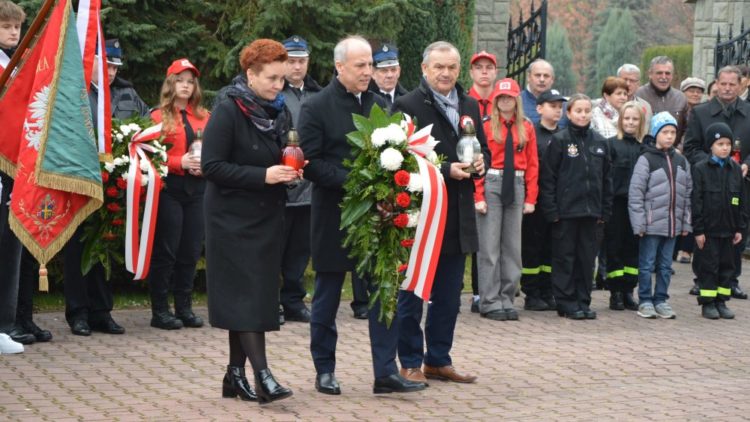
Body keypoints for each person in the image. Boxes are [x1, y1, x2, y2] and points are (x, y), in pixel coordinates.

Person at [298, 35, 426, 395]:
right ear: (340, 67)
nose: (368, 72)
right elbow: (311, 163)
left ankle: (385, 372)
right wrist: (360, 184)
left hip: (378, 218)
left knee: (383, 295)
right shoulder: (317, 106)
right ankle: (324, 370)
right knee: (326, 298)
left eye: (370, 64)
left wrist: (391, 189)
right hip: (334, 217)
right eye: (360, 65)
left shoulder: (380, 106)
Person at [202, 39, 296, 404]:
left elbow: (279, 152)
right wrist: (263, 176)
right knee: (247, 300)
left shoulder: (278, 109)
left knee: (251, 298)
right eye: (271, 78)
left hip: (266, 216)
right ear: (250, 74)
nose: (278, 86)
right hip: (231, 218)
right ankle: (263, 377)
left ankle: (233, 375)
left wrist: (290, 170)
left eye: (282, 79)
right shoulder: (229, 108)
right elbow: (212, 166)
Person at [393, 41, 488, 384]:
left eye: (451, 67)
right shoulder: (407, 105)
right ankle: (410, 361)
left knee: (449, 297)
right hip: (423, 217)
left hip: (458, 215)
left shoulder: (470, 105)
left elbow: (484, 150)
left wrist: (480, 163)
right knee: (414, 291)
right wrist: (447, 171)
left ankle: (438, 359)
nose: (446, 73)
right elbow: (401, 160)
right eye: (439, 67)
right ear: (424, 69)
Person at [146, 59, 209, 330]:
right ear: (171, 83)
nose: (185, 85)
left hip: (198, 189)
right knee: (167, 250)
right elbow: (149, 156)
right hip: (170, 188)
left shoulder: (205, 116)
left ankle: (184, 307)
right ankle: (160, 310)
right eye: (180, 80)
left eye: (190, 81)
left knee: (191, 250)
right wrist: (177, 162)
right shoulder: (157, 117)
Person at [540, 94, 613, 320]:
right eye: (578, 111)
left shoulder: (600, 142)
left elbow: (607, 178)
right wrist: (551, 211)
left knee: (586, 259)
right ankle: (566, 301)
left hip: (592, 213)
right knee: (565, 259)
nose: (583, 115)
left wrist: (605, 210)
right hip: (566, 213)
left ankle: (583, 300)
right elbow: (548, 178)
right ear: (569, 113)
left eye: (586, 111)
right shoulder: (560, 141)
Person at [683, 66, 750, 300]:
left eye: (733, 84)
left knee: (737, 234)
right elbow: (690, 147)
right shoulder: (700, 113)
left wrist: (746, 164)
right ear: (717, 84)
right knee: (707, 238)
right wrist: (711, 164)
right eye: (724, 84)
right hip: (709, 185)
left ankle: (731, 280)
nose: (728, 88)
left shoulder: (749, 112)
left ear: (741, 85)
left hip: (739, 184)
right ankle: (701, 279)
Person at [474, 78, 538, 321]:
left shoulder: (527, 127)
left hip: (518, 184)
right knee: (489, 247)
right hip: (492, 182)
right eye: (500, 98)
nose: (504, 101)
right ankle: (489, 301)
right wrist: (477, 195)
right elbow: (476, 163)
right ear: (495, 100)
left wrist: (531, 197)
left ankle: (506, 298)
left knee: (512, 247)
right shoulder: (486, 125)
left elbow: (533, 164)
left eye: (509, 97)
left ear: (516, 100)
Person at [628, 112, 692, 319]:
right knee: (646, 264)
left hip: (672, 225)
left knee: (665, 266)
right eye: (665, 132)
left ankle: (661, 299)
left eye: (673, 132)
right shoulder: (645, 159)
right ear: (655, 133)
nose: (669, 136)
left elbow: (688, 194)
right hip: (651, 223)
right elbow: (636, 194)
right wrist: (638, 223)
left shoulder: (681, 160)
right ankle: (645, 300)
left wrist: (686, 223)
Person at [277, 35, 322, 324]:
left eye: (301, 61)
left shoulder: (316, 94)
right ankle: (270, 302)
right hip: (280, 185)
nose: (296, 67)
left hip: (308, 187)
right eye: (291, 61)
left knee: (299, 250)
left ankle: (293, 301)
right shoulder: (274, 92)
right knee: (275, 249)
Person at [0, 0, 33, 352]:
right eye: (6, 26)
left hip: (13, 165)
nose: (13, 32)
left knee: (9, 246)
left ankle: (4, 324)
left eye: (17, 27)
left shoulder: (15, 63)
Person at [691, 122, 746, 319]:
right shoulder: (700, 169)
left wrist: (740, 227)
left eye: (727, 144)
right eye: (720, 144)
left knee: (727, 268)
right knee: (709, 268)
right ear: (711, 146)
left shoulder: (735, 169)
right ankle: (708, 303)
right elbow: (696, 201)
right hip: (709, 230)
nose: (724, 148)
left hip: (729, 230)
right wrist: (698, 230)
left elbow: (741, 201)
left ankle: (722, 301)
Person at [520, 90, 565, 311]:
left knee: (551, 249)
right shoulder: (532, 134)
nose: (557, 110)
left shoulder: (564, 136)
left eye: (559, 106)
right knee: (532, 248)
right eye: (552, 105)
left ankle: (548, 290)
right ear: (539, 108)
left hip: (556, 202)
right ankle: (532, 292)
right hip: (535, 202)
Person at [605, 102, 646, 311]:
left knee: (633, 249)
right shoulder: (611, 145)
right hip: (616, 204)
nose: (630, 122)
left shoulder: (645, 148)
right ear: (620, 120)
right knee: (614, 247)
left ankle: (629, 290)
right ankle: (616, 292)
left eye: (635, 119)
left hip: (637, 206)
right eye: (627, 118)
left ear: (641, 122)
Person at [466, 49, 499, 313]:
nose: (484, 71)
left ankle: (482, 291)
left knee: (488, 241)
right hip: (466, 178)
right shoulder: (465, 102)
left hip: (496, 180)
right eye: (480, 67)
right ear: (472, 72)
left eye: (489, 67)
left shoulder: (503, 102)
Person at [673, 77, 705, 265]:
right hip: (679, 161)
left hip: (696, 163)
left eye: (699, 91)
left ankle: (687, 248)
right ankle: (677, 247)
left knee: (694, 204)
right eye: (691, 90)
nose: (695, 94)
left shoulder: (705, 112)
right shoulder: (680, 112)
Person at [89, 39, 150, 121]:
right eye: (107, 66)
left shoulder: (127, 92)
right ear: (92, 62)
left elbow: (147, 121)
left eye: (115, 68)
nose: (111, 73)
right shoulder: (79, 93)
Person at [635, 56, 687, 127]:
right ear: (650, 74)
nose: (664, 77)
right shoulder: (638, 95)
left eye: (667, 73)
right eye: (659, 73)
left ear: (672, 75)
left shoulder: (680, 98)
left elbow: (686, 129)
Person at [520, 59, 568, 128]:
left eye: (546, 76)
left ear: (552, 79)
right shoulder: (517, 102)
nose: (542, 80)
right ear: (528, 77)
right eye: (537, 75)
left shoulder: (564, 106)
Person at [369, 42, 408, 112]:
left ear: (399, 71)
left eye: (393, 70)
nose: (390, 75)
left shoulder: (408, 99)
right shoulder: (365, 99)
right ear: (373, 73)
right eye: (384, 71)